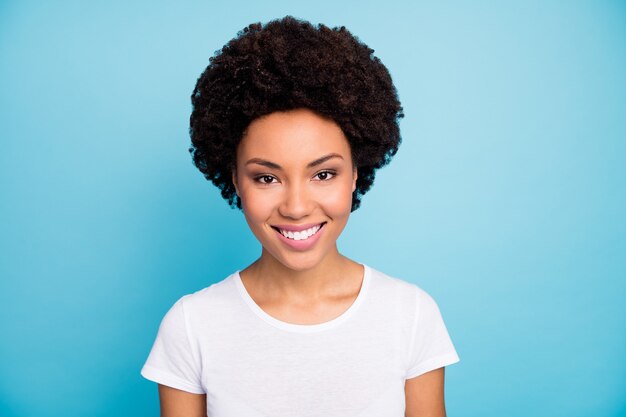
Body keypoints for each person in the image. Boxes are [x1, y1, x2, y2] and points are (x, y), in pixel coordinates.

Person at [141, 16, 460, 417]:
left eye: (323, 174)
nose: (295, 207)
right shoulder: (192, 326)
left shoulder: (410, 314)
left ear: (356, 172)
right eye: (267, 177)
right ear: (235, 179)